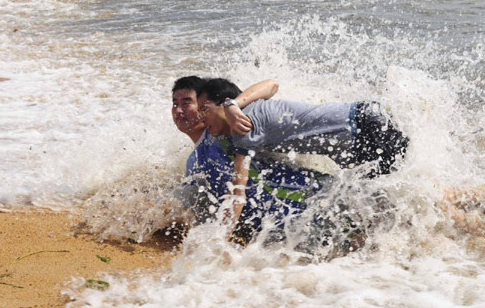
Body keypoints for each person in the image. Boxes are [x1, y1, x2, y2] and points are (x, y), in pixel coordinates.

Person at [197, 77, 409, 229]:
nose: (201, 118)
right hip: (364, 123)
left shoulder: (244, 127)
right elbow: (272, 85)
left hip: (366, 130)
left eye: (204, 110)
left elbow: (238, 194)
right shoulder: (251, 105)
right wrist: (234, 104)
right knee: (387, 200)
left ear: (223, 104)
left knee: (387, 205)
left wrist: (221, 242)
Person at [172, 76, 327, 244]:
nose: (179, 111)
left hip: (316, 199)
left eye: (187, 103)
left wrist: (233, 105)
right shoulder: (193, 162)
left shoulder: (234, 126)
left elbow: (271, 85)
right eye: (175, 104)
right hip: (286, 232)